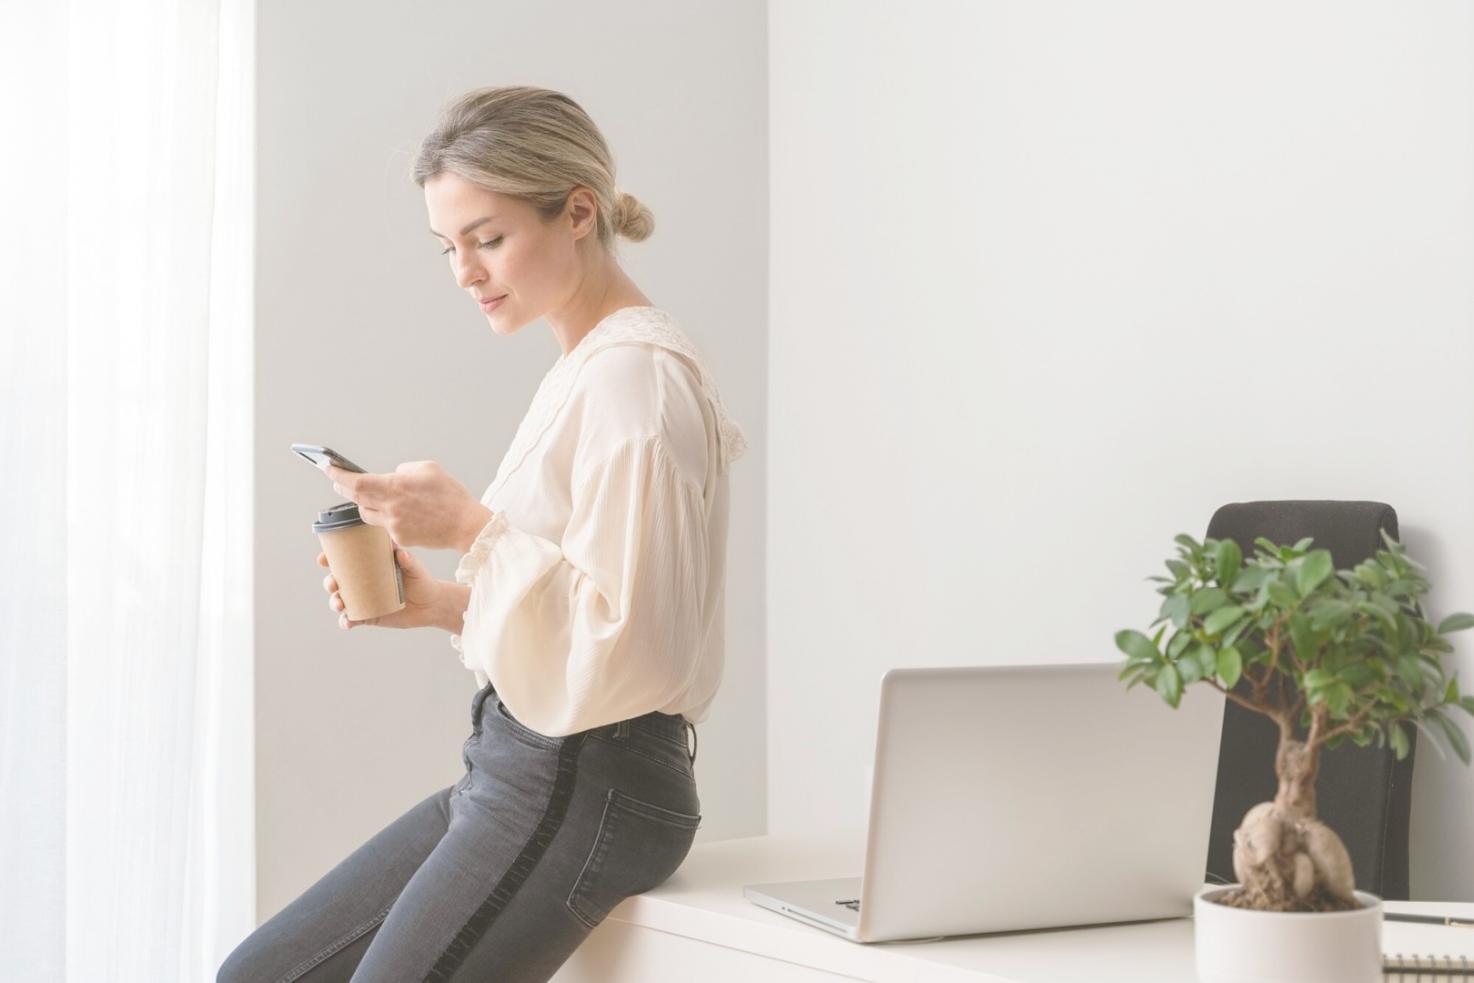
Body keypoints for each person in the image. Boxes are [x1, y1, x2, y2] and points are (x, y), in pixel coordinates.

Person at [218, 84, 746, 982]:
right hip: (520, 764)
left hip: (587, 781)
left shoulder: (633, 382)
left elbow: (641, 648)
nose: (465, 271)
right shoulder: (587, 366)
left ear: (578, 211)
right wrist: (449, 605)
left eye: (488, 238)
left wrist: (468, 524)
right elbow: (587, 602)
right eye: (449, 247)